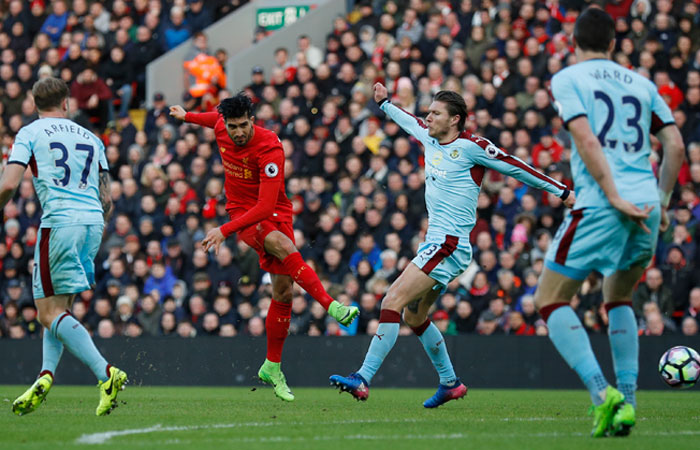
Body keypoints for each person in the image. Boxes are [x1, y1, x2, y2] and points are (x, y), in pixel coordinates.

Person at [330, 82, 574, 407]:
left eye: (435, 113)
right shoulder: (429, 136)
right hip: (439, 245)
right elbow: (408, 120)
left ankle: (362, 378)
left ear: (455, 119)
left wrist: (562, 192)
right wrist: (385, 103)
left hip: (448, 244)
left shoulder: (473, 147)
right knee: (415, 317)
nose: (427, 117)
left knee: (391, 300)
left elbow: (517, 166)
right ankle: (450, 383)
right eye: (428, 112)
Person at [533, 8, 685, 438]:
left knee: (548, 300)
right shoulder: (642, 83)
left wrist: (613, 196)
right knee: (617, 295)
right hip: (646, 206)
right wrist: (662, 201)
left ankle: (604, 396)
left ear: (574, 42)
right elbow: (673, 145)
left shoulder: (568, 78)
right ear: (614, 44)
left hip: (603, 203)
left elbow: (585, 139)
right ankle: (630, 405)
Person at [169, 93, 359, 402]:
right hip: (241, 214)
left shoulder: (270, 147)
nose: (238, 132)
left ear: (252, 121)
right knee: (282, 245)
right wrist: (186, 115)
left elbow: (266, 204)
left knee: (283, 292)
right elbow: (211, 120)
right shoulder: (222, 128)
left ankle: (272, 365)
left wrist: (221, 231)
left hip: (272, 211)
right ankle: (331, 306)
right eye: (233, 127)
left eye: (243, 125)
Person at [2, 77, 128, 416]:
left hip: (59, 222)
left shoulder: (30, 133)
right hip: (93, 224)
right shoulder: (91, 137)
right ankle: (45, 376)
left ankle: (106, 373)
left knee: (47, 312)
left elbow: (9, 183)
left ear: (32, 103)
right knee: (61, 307)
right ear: (67, 103)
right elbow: (107, 199)